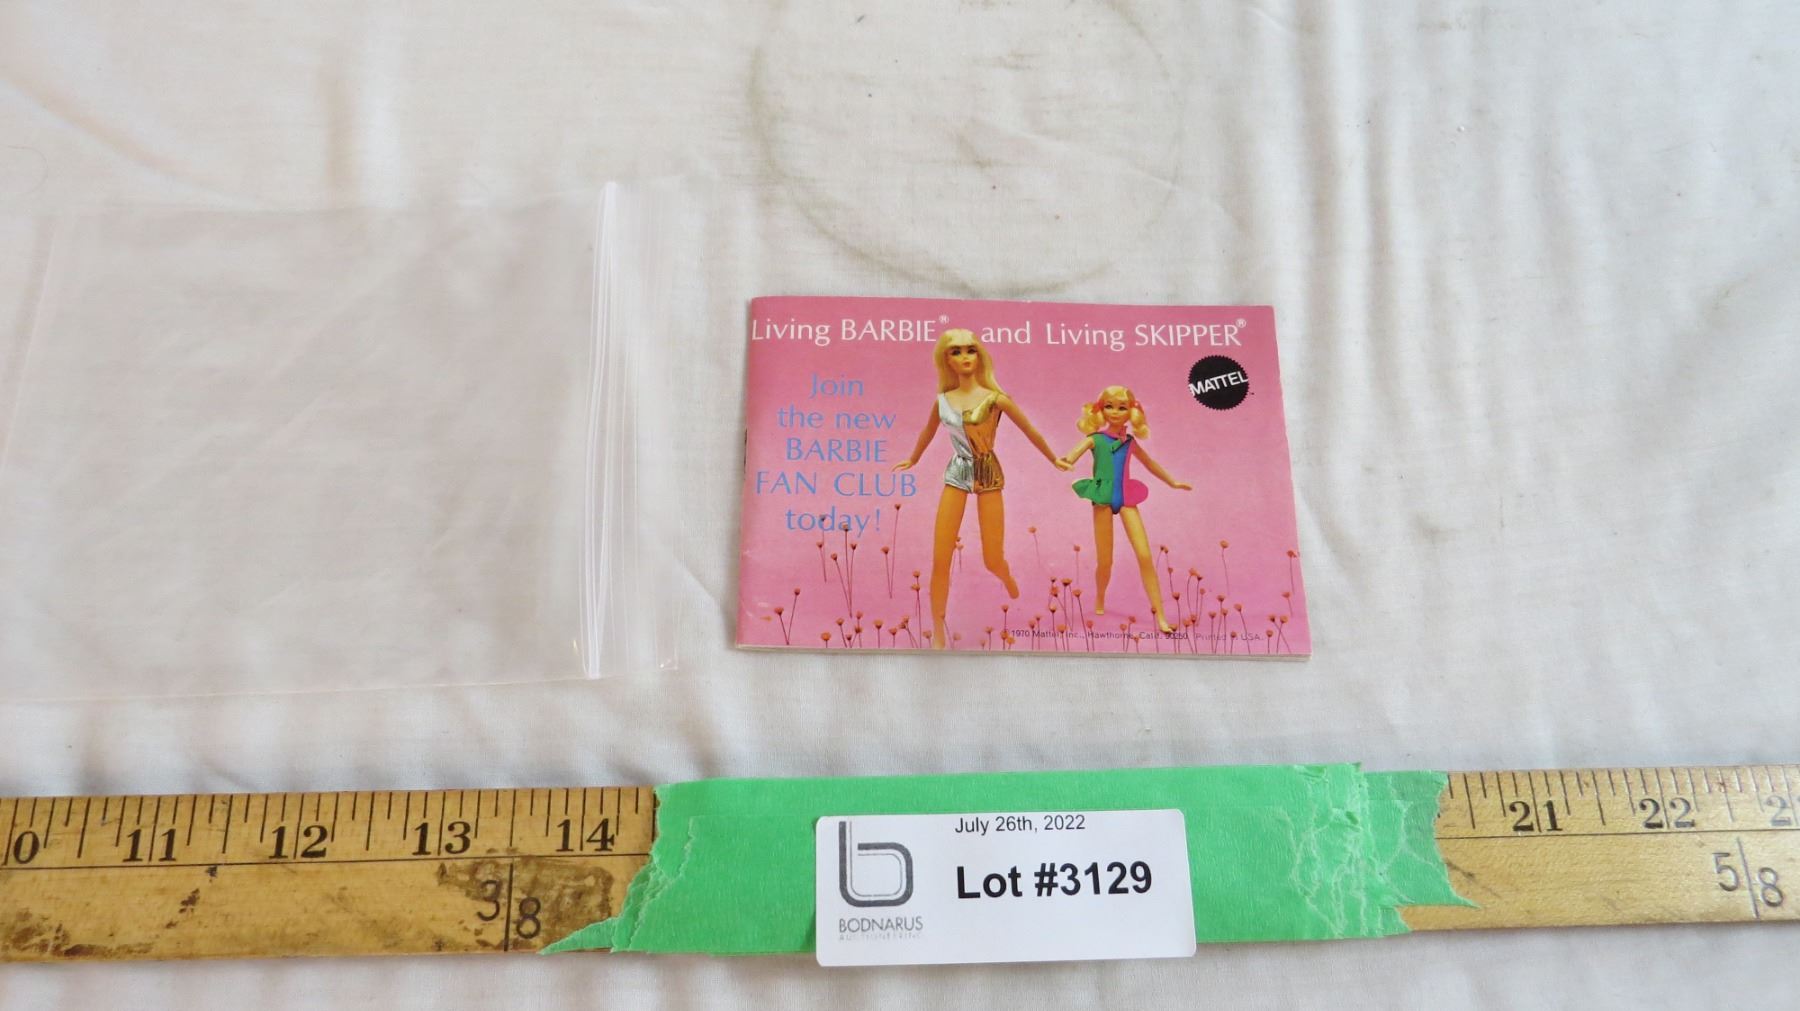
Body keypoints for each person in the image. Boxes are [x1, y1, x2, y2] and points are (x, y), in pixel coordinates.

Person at [893, 329, 1067, 648]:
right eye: (956, 352)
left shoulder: (995, 399)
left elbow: (1031, 431)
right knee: (941, 558)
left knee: (992, 559)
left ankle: (1005, 576)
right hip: (957, 472)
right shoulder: (943, 401)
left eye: (970, 350)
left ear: (979, 355)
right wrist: (913, 459)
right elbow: (927, 433)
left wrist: (1054, 458)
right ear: (946, 360)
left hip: (988, 473)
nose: (964, 357)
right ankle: (938, 631)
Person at [1060, 385, 1192, 634]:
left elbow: (1150, 464)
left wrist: (1173, 482)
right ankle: (1100, 597)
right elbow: (1070, 456)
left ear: (1131, 412)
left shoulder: (1130, 442)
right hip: (1102, 498)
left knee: (1145, 555)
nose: (1115, 412)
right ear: (1100, 410)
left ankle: (1161, 617)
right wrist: (1064, 461)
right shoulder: (1095, 439)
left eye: (1122, 408)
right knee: (1105, 560)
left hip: (1126, 497)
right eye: (1109, 406)